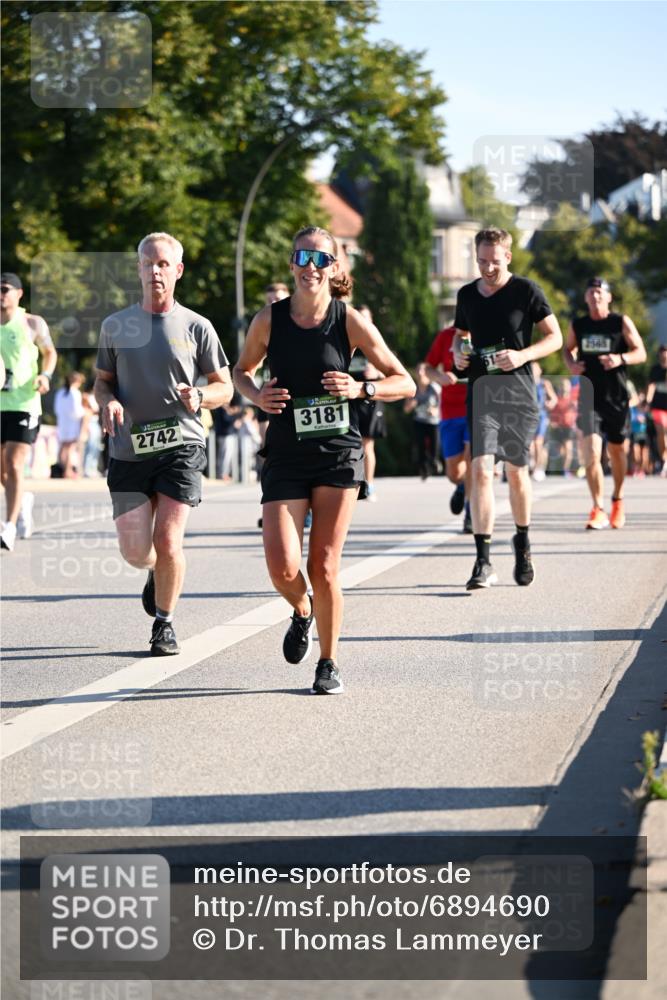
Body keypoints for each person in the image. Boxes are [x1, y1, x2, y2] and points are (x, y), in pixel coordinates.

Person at [233, 225, 415, 694]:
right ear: (292, 264)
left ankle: (329, 662)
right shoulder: (268, 320)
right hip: (286, 454)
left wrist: (361, 388)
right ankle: (302, 610)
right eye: (303, 257)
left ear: (333, 268)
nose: (311, 267)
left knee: (326, 566)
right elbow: (241, 371)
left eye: (320, 259)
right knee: (282, 567)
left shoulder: (348, 320)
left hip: (337, 454)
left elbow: (405, 381)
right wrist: (257, 395)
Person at [94, 232, 232, 655]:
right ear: (138, 269)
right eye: (148, 263)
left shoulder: (197, 326)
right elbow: (102, 384)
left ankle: (165, 623)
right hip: (129, 449)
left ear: (178, 270)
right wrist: (109, 402)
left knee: (170, 541)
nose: (155, 270)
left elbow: (224, 387)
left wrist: (201, 397)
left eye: (163, 264)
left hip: (181, 446)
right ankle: (154, 572)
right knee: (137, 551)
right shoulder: (116, 326)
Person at [453, 228, 563, 589]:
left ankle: (522, 540)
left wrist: (521, 355)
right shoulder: (467, 294)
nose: (487, 268)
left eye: (494, 261)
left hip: (518, 393)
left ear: (508, 257)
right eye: (481, 261)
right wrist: (458, 352)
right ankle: (483, 562)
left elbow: (555, 337)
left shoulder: (526, 291)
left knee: (516, 473)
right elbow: (461, 334)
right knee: (482, 470)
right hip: (481, 392)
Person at [564, 277, 646, 529]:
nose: (595, 296)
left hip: (617, 398)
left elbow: (640, 352)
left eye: (600, 292)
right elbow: (567, 349)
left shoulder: (620, 322)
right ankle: (597, 507)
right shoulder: (579, 324)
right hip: (590, 398)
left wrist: (620, 358)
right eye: (591, 292)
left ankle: (618, 499)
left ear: (608, 297)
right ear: (586, 298)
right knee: (590, 454)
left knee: (617, 452)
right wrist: (571, 364)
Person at [1, 271, 57, 550]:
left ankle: (8, 527)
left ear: (19, 293)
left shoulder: (32, 323)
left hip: (25, 403)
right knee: (3, 471)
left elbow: (50, 352)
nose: (1, 294)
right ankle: (22, 500)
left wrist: (45, 376)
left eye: (5, 289)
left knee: (13, 462)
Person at [424, 324, 472, 531]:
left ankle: (471, 513)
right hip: (451, 410)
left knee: (474, 464)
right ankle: (462, 486)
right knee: (453, 472)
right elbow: (428, 368)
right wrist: (440, 377)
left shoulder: (488, 332)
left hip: (478, 406)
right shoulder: (446, 336)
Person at [256, 282, 291, 528]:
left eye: (278, 298)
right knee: (267, 449)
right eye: (270, 299)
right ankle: (271, 503)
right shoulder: (264, 324)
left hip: (297, 398)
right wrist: (255, 393)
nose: (273, 303)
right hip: (268, 396)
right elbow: (247, 367)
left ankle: (301, 506)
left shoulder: (299, 319)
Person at [355, 306, 386, 502]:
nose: (363, 322)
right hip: (347, 397)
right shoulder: (346, 338)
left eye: (366, 318)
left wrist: (376, 375)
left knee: (367, 444)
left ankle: (369, 485)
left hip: (370, 396)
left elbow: (392, 373)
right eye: (359, 318)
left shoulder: (375, 341)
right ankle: (351, 484)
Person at [404, 363, 440, 480]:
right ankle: (423, 469)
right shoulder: (413, 388)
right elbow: (406, 409)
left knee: (434, 447)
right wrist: (412, 404)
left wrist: (435, 410)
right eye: (418, 371)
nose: (420, 374)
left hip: (433, 422)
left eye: (423, 371)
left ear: (427, 373)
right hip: (419, 421)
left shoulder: (434, 388)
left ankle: (433, 462)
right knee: (420, 446)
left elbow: (443, 403)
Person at [54, 370, 85, 478]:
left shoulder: (60, 393)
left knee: (63, 447)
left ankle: (62, 468)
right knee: (70, 448)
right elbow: (77, 411)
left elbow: (57, 409)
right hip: (72, 424)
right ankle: (67, 470)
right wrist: (85, 412)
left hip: (62, 423)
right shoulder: (75, 393)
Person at [530, 361, 556, 480]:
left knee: (538, 443)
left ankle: (538, 468)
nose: (534, 371)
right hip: (528, 416)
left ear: (540, 370)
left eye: (536, 368)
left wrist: (549, 403)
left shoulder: (544, 383)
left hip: (541, 415)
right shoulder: (527, 383)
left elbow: (554, 399)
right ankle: (531, 464)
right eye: (532, 369)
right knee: (529, 444)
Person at [646, 343, 667, 476]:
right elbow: (651, 386)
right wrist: (648, 400)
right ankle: (664, 459)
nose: (664, 353)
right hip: (658, 406)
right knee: (661, 430)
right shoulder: (655, 369)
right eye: (662, 351)